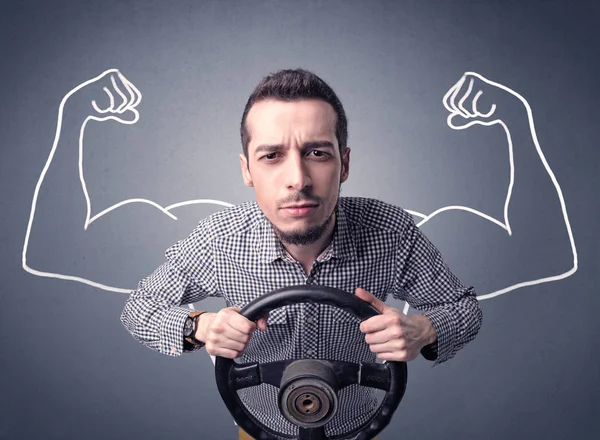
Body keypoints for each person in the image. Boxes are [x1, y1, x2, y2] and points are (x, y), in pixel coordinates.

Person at [120, 69, 483, 440]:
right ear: (247, 170)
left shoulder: (389, 231)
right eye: (272, 155)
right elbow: (139, 308)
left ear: (344, 164)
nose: (298, 178)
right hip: (260, 429)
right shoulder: (219, 239)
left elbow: (465, 308)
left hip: (359, 429)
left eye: (316, 153)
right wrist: (201, 326)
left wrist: (423, 331)